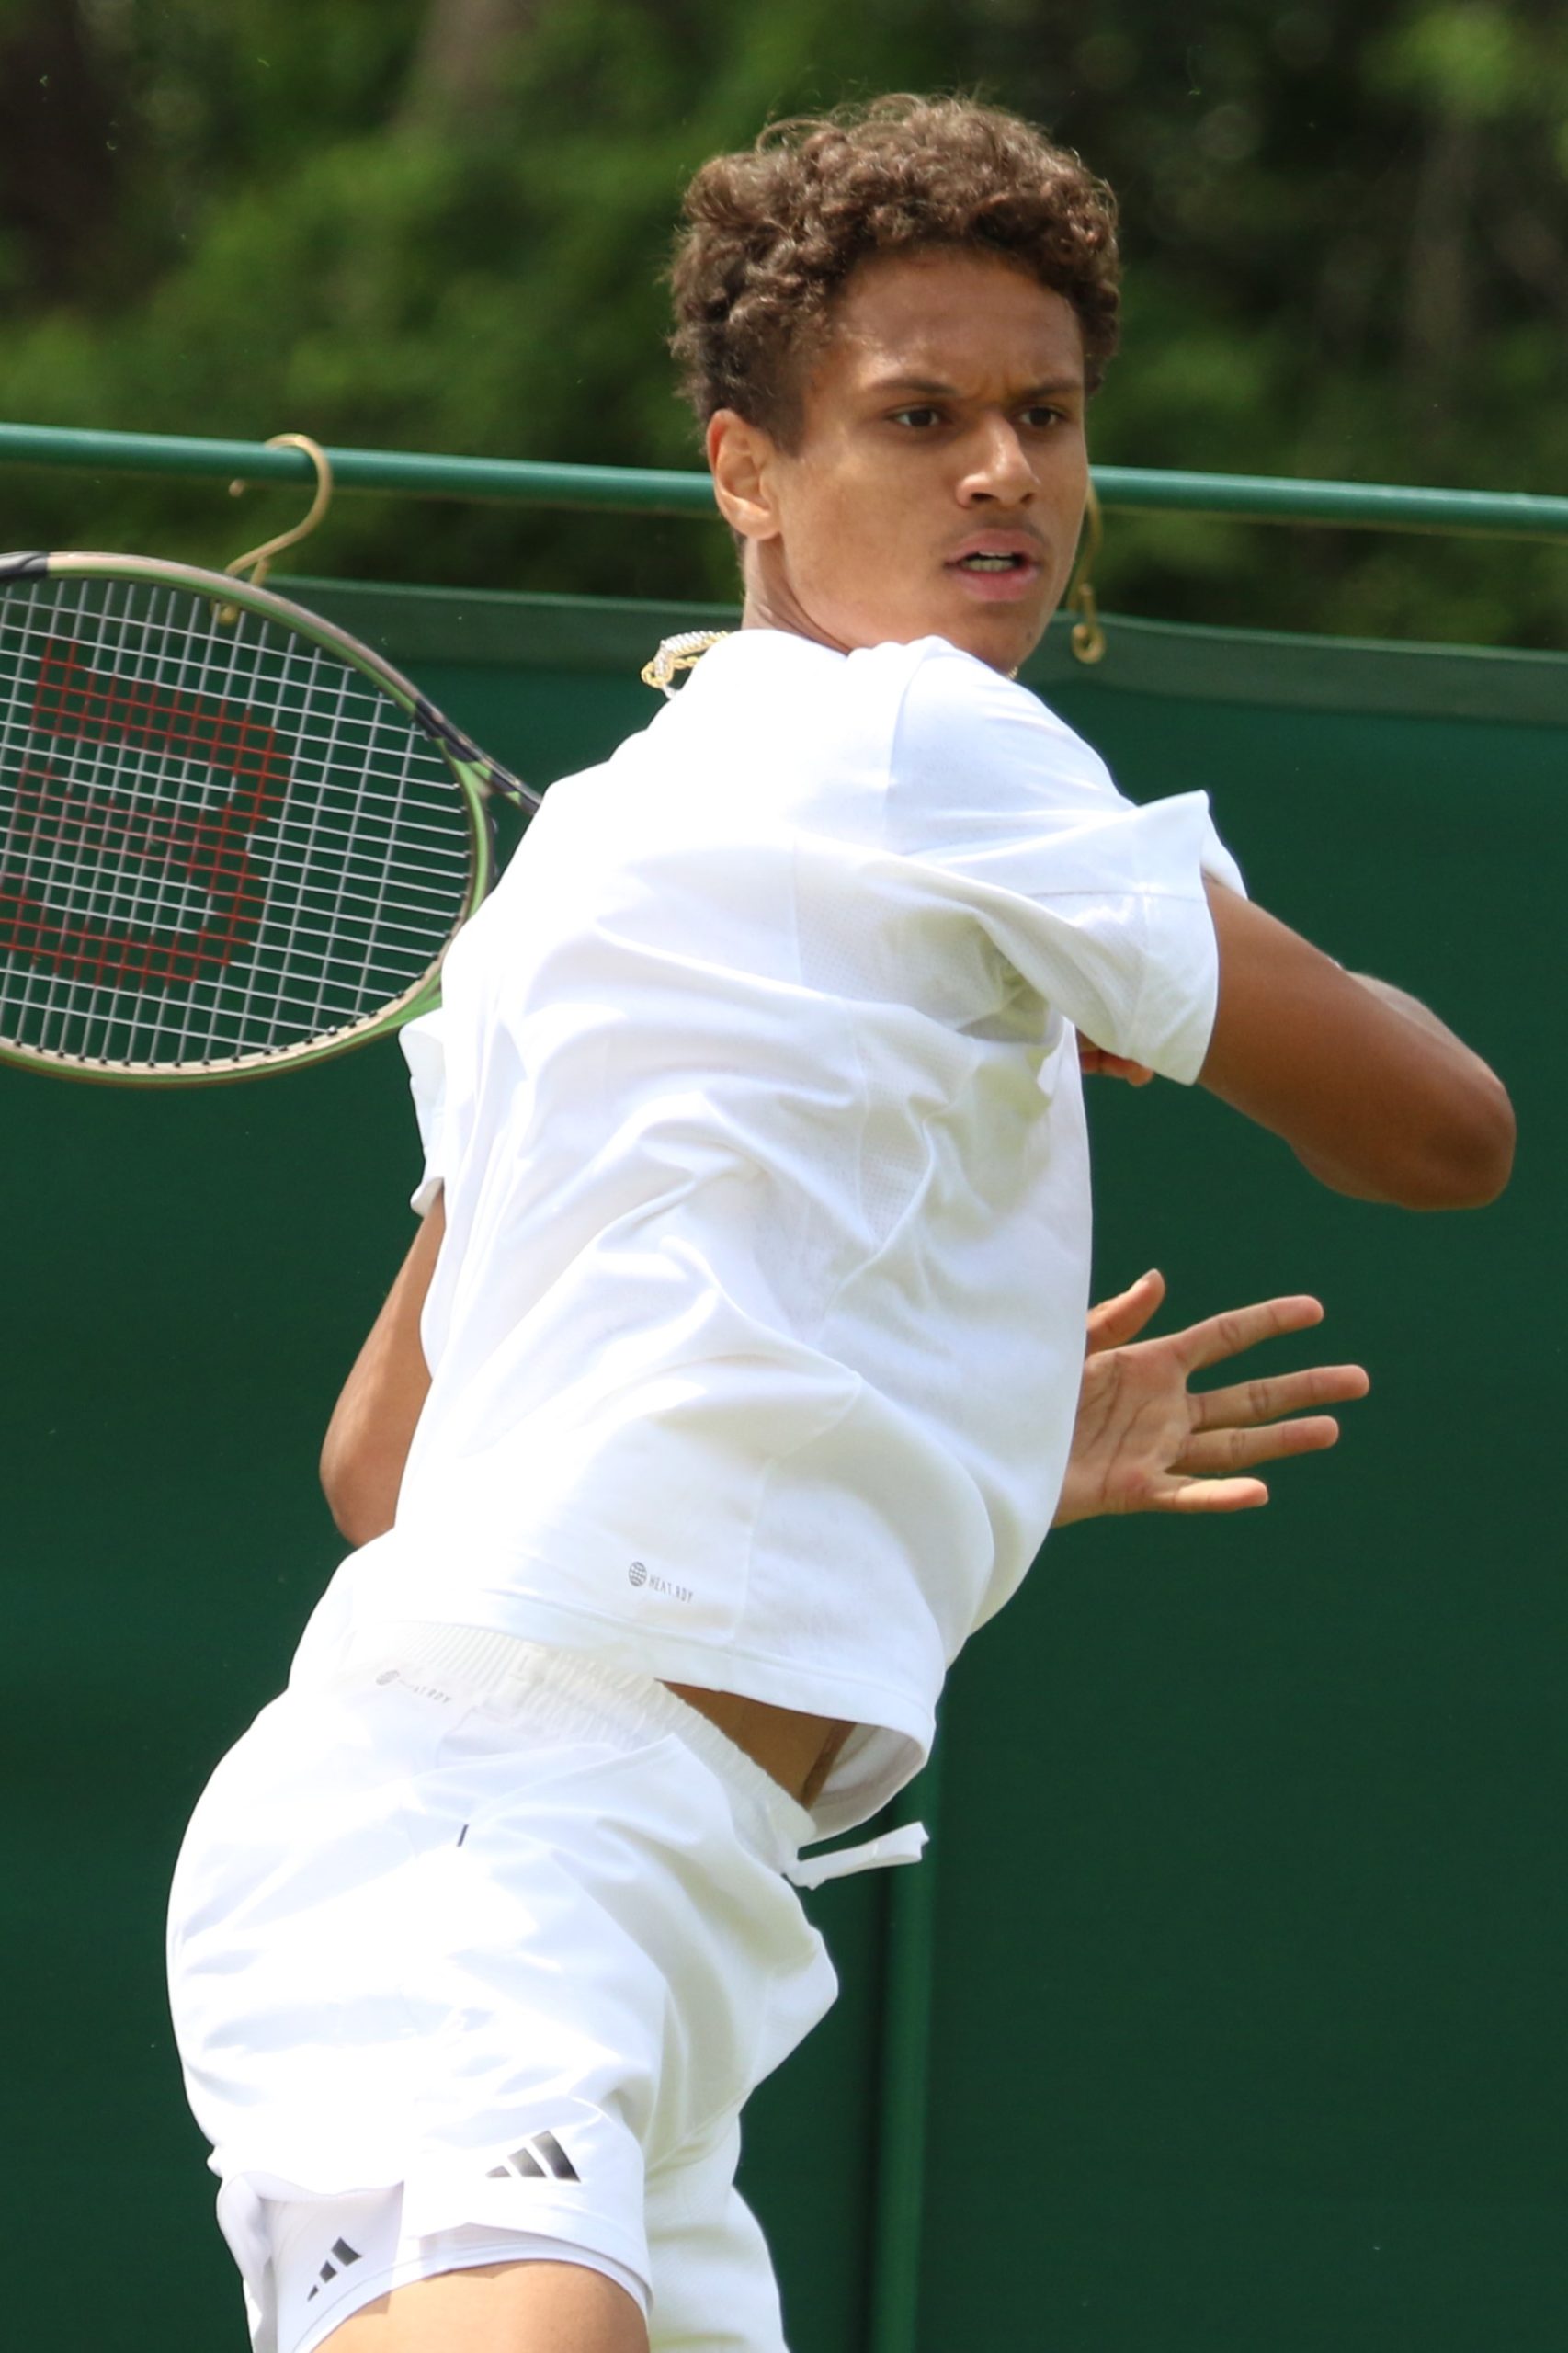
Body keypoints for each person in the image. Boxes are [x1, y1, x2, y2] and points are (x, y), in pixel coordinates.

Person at [166, 96, 1514, 2353]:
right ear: (745, 472)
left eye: (1046, 415)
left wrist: (964, 1430)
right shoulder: (929, 744)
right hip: (495, 1840)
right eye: (918, 416)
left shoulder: (584, 863)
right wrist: (1152, 966)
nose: (1003, 471)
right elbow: (1439, 1127)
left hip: (641, 1879)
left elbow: (388, 1465)